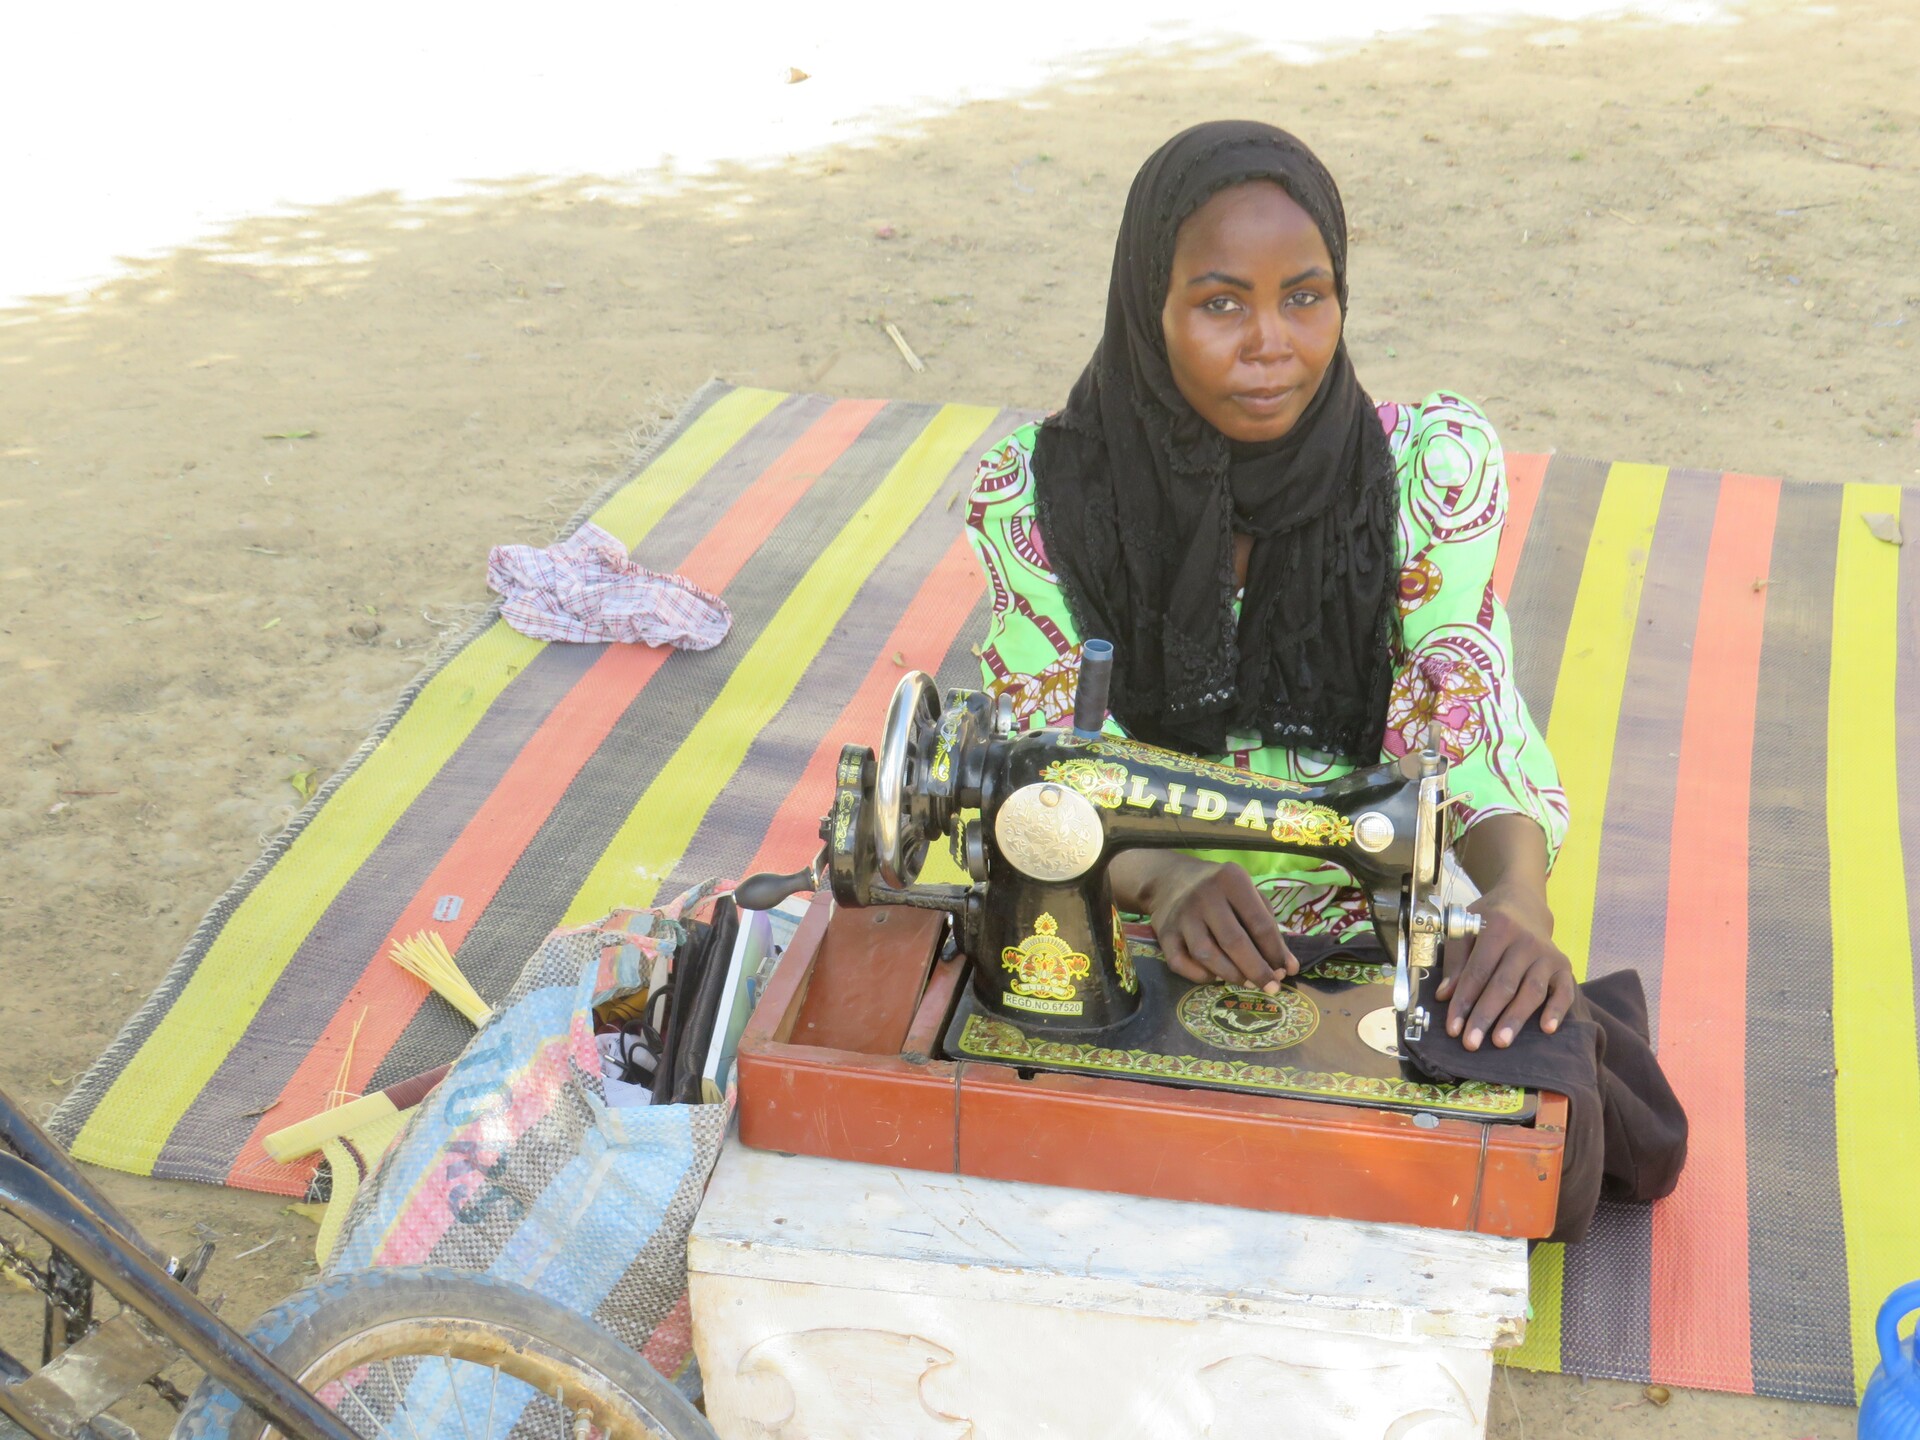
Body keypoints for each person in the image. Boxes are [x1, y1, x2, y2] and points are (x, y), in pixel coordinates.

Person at [963, 120, 1683, 1240]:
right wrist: (1164, 880)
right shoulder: (1039, 502)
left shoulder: (1420, 474)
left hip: (1371, 943)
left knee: (1523, 1141)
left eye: (1306, 297)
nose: (1272, 344)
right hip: (1133, 945)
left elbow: (1463, 712)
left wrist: (1517, 902)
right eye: (1218, 304)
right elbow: (1039, 775)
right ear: (1146, 310)